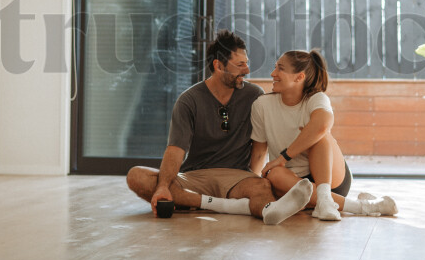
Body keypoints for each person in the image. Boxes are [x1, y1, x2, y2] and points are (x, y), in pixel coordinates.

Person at [126, 30, 313, 225]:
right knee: (137, 176)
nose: (247, 70)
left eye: (246, 63)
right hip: (194, 177)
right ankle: (235, 206)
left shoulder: (254, 95)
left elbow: (260, 145)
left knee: (262, 187)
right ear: (218, 65)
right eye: (240, 65)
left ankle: (266, 210)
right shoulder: (189, 101)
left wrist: (256, 177)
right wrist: (164, 185)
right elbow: (176, 149)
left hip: (237, 177)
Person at [253, 49, 398, 221]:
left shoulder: (316, 98)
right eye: (274, 67)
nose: (273, 73)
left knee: (319, 136)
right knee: (274, 174)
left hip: (331, 180)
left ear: (299, 77)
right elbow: (260, 152)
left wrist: (283, 158)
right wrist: (253, 185)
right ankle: (356, 206)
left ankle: (325, 199)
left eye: (280, 69)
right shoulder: (262, 105)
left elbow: (322, 125)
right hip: (291, 182)